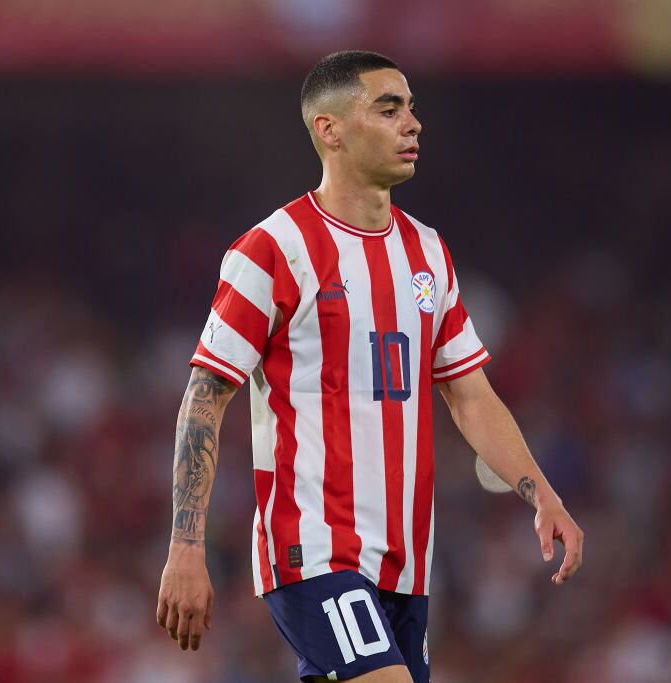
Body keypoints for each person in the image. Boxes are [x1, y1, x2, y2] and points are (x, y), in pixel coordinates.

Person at [156, 50, 584, 683]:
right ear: (330, 130)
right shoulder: (274, 248)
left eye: (411, 108)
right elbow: (205, 394)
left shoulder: (427, 252)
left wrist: (540, 491)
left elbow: (470, 395)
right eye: (389, 109)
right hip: (314, 548)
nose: (413, 124)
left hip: (407, 561)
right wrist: (186, 546)